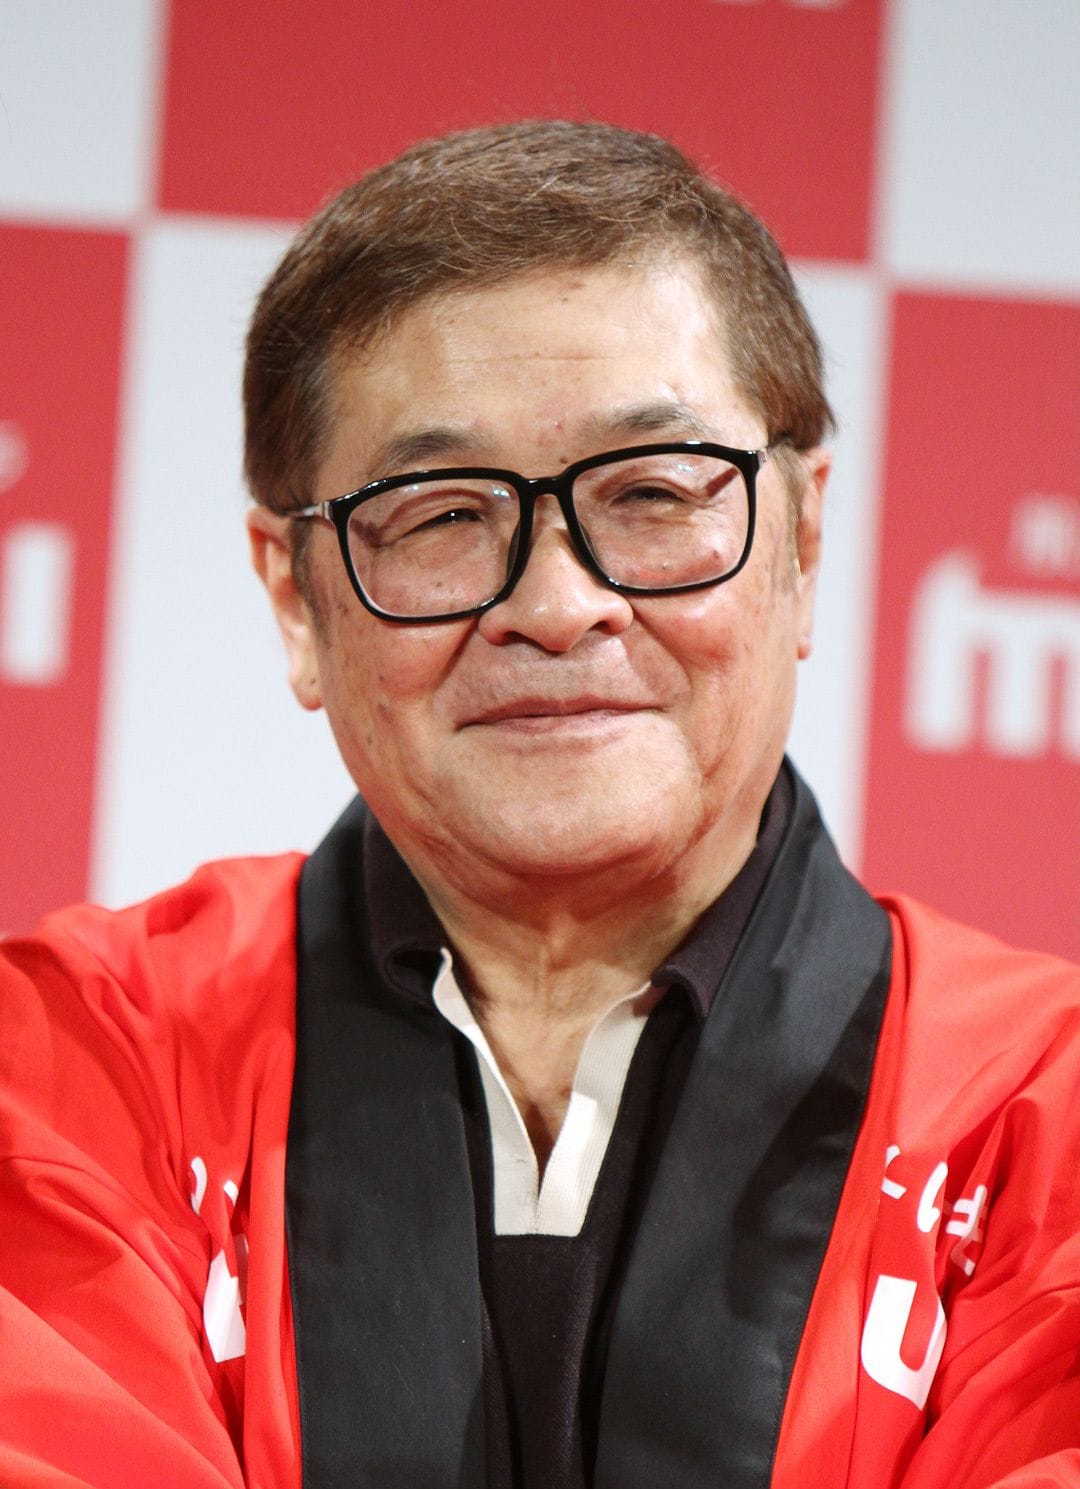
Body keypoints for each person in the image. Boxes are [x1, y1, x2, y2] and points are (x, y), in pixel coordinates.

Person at [2, 121, 1078, 1489]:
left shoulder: (1037, 1112)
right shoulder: (80, 1064)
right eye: (443, 514)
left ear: (802, 542)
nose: (558, 604)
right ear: (296, 597)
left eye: (652, 494)